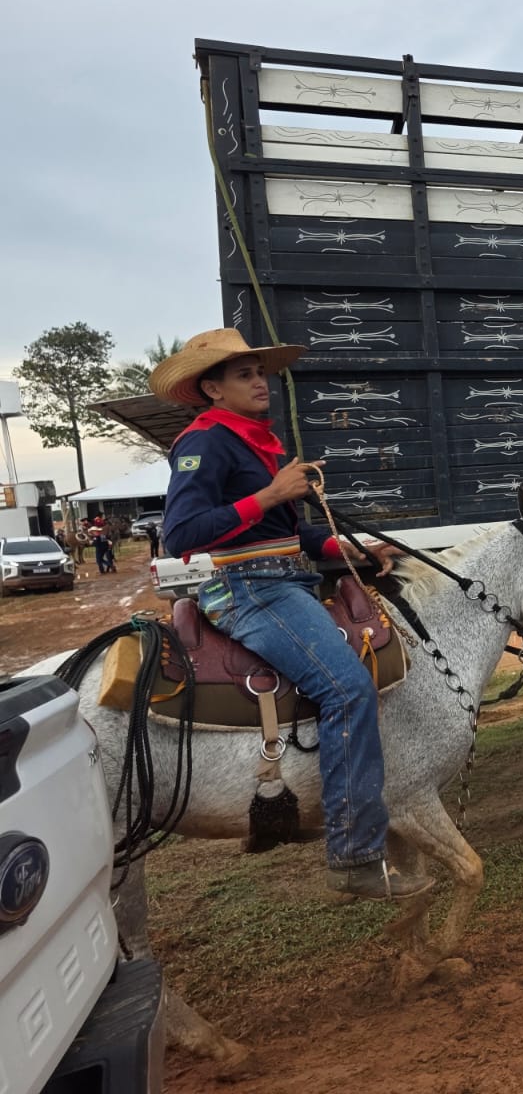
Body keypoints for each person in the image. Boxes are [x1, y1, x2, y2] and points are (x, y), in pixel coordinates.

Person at [150, 328, 424, 901]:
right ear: (212, 389)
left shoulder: (259, 443)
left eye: (260, 372)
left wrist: (345, 548)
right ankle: (354, 857)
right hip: (247, 589)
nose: (260, 382)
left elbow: (288, 531)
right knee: (348, 689)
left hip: (284, 581)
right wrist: (271, 494)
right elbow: (181, 534)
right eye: (244, 374)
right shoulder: (204, 442)